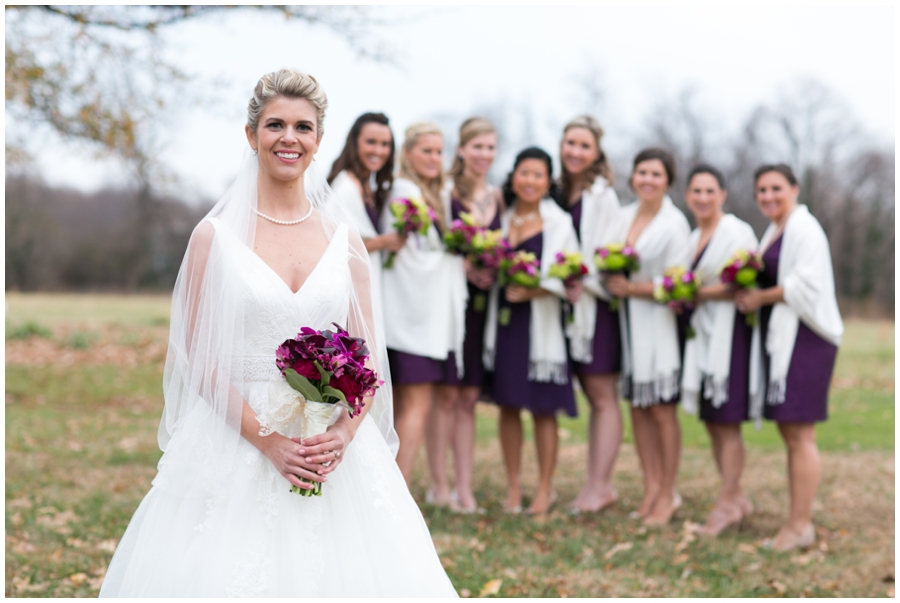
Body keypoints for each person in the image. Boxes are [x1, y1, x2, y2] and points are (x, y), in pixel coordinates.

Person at [99, 69, 457, 597]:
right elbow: (197, 357)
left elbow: (367, 363)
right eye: (275, 125)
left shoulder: (345, 240)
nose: (289, 137)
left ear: (318, 141)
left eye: (303, 127)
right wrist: (268, 443)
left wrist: (342, 434)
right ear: (252, 136)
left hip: (329, 445)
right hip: (236, 434)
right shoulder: (213, 237)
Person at [734, 164, 842, 551]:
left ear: (794, 189)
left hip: (807, 339)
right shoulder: (776, 229)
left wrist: (761, 297)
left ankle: (800, 526)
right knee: (790, 432)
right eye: (761, 189)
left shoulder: (805, 227)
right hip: (785, 338)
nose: (768, 196)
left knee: (800, 434)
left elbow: (807, 283)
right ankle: (797, 521)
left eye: (776, 188)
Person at [483, 147, 582, 516]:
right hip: (507, 320)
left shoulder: (559, 222)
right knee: (508, 404)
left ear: (548, 181)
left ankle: (544, 488)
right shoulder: (502, 216)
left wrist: (535, 289)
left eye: (538, 175)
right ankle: (513, 486)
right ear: (514, 176)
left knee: (543, 408)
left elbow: (569, 272)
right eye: (524, 173)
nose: (530, 181)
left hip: (541, 323)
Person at [605, 148, 691, 526]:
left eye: (656, 174)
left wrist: (633, 289)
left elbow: (679, 282)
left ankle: (669, 491)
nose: (647, 180)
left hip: (659, 323)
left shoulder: (675, 224)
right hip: (627, 324)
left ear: (667, 180)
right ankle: (651, 486)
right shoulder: (622, 217)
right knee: (638, 407)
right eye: (641, 172)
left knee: (660, 409)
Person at [380, 122, 468, 489]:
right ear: (408, 152)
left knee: (408, 408)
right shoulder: (403, 191)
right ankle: (398, 491)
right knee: (414, 407)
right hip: (411, 318)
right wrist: (453, 257)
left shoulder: (430, 192)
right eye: (426, 151)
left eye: (439, 151)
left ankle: (393, 488)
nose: (434, 158)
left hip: (418, 317)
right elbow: (410, 254)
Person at [425, 117, 502, 512]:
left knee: (469, 397)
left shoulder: (497, 197)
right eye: (477, 147)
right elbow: (435, 245)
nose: (484, 155)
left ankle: (465, 487)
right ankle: (438, 483)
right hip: (449, 301)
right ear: (462, 149)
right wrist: (464, 268)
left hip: (483, 307)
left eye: (490, 148)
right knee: (445, 396)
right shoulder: (444, 191)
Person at [679, 164, 757, 536]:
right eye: (696, 191)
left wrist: (695, 293)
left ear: (723, 194)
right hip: (703, 335)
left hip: (732, 337)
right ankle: (737, 497)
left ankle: (726, 502)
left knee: (727, 423)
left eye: (710, 191)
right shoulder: (693, 236)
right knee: (712, 421)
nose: (703, 198)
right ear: (687, 196)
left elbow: (741, 285)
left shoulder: (736, 232)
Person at [557, 115, 624, 514]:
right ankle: (593, 483)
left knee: (602, 395)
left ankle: (600, 485)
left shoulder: (603, 196)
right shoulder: (557, 191)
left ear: (596, 152)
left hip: (597, 306)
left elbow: (609, 251)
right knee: (589, 392)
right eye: (570, 143)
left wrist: (584, 278)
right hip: (568, 305)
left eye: (584, 145)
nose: (576, 152)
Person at [327, 112, 405, 333]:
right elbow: (334, 245)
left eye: (385, 144)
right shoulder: (345, 188)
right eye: (371, 142)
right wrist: (383, 242)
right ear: (355, 143)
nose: (378, 151)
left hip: (369, 285)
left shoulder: (367, 186)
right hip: (349, 291)